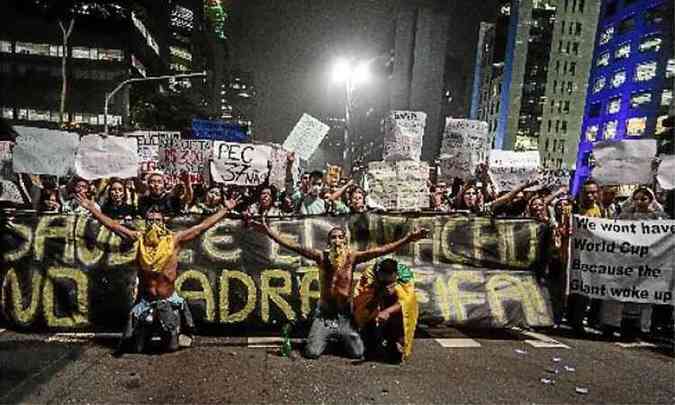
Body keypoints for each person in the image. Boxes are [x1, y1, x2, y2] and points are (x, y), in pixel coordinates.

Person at [76, 192, 240, 353]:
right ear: (145, 222)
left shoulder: (174, 239)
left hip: (167, 301)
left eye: (157, 220)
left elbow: (202, 227)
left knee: (171, 348)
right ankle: (145, 332)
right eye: (150, 220)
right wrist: (93, 209)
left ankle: (175, 331)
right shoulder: (138, 238)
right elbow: (113, 225)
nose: (154, 224)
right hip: (145, 302)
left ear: (164, 222)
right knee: (137, 348)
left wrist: (224, 210)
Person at [254, 218, 428, 359]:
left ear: (345, 240)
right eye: (333, 237)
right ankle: (321, 334)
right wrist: (269, 232)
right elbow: (293, 246)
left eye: (340, 237)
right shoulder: (321, 257)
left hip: (345, 316)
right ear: (328, 241)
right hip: (325, 315)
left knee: (357, 353)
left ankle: (339, 337)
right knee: (311, 353)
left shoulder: (352, 258)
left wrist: (409, 239)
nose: (337, 240)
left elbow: (381, 250)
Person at [599, 186, 670, 340]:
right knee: (616, 295)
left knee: (638, 296)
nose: (639, 202)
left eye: (643, 198)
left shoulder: (658, 218)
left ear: (651, 200)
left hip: (645, 262)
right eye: (636, 198)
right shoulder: (625, 216)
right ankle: (610, 326)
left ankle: (632, 330)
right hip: (624, 261)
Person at [354, 258, 418, 363]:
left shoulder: (405, 275)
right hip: (374, 303)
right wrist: (378, 294)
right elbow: (360, 299)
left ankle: (396, 339)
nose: (385, 280)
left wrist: (388, 311)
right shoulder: (370, 274)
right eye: (383, 277)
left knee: (395, 356)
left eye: (388, 278)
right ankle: (371, 336)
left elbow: (408, 302)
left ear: (395, 274)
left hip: (393, 307)